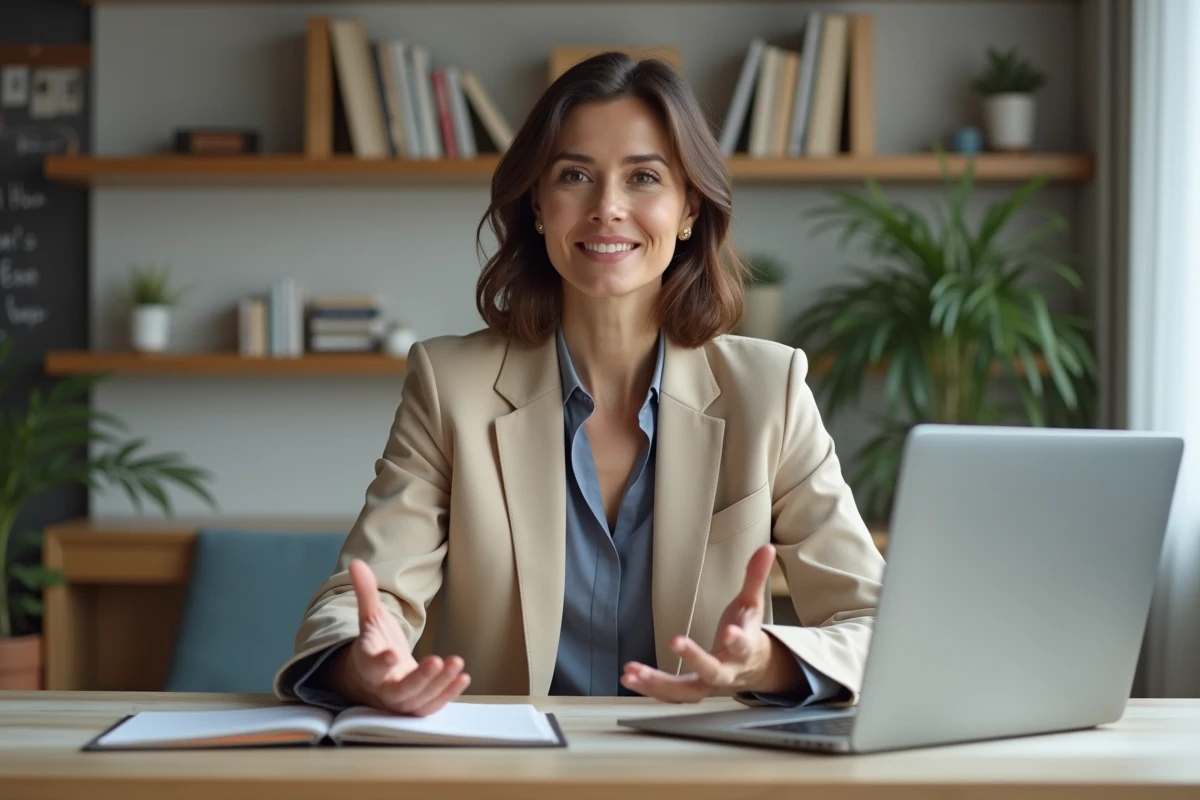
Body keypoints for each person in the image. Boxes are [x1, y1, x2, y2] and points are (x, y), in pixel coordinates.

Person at [273, 52, 885, 717]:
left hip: (702, 769)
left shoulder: (770, 388)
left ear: (689, 209)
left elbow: (873, 621)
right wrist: (365, 666)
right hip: (513, 772)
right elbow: (360, 599)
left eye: (644, 177)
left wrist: (766, 662)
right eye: (575, 176)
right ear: (538, 204)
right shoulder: (450, 385)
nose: (607, 208)